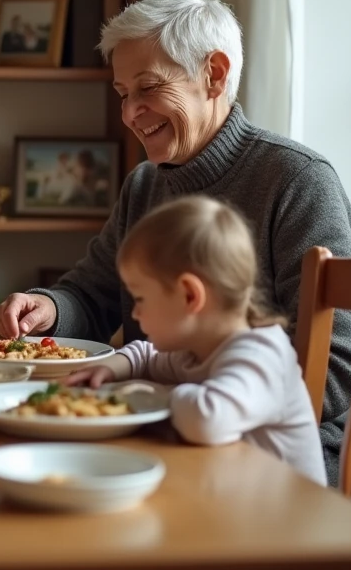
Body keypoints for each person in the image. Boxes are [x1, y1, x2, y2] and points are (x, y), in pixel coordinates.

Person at [0, 0, 351, 485]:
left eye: (148, 88)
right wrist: (51, 309)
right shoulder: (145, 183)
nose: (129, 114)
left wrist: (163, 399)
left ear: (213, 74)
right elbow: (94, 293)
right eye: (123, 94)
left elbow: (333, 375)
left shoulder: (298, 181)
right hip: (168, 433)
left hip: (265, 467)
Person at [66, 195, 326, 486]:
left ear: (190, 295)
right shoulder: (196, 349)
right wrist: (110, 368)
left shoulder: (262, 355)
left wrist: (150, 393)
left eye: (140, 298)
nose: (135, 313)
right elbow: (147, 355)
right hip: (234, 498)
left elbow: (207, 421)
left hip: (288, 523)